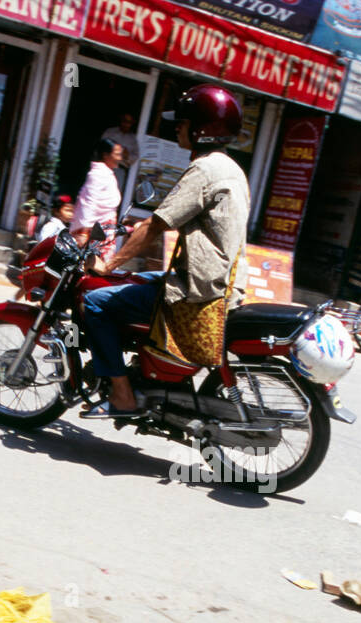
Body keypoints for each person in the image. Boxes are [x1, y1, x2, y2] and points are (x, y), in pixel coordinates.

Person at [78, 85, 249, 418]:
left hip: (197, 289)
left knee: (97, 302)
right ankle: (144, 371)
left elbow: (157, 225)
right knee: (137, 279)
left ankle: (124, 396)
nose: (177, 128)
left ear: (201, 128)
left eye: (183, 123)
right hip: (221, 280)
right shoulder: (230, 167)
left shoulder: (205, 170)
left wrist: (109, 264)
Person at [71, 138, 123, 259]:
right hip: (92, 232)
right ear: (106, 155)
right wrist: (83, 232)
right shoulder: (97, 175)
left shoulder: (107, 174)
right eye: (117, 154)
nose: (120, 158)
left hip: (103, 231)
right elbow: (89, 204)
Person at [100, 112, 140, 189]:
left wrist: (127, 155)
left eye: (129, 122)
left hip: (119, 171)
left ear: (132, 123)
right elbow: (100, 148)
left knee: (112, 197)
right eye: (124, 121)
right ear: (121, 120)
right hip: (104, 168)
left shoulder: (133, 139)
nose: (126, 124)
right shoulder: (110, 132)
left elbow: (135, 157)